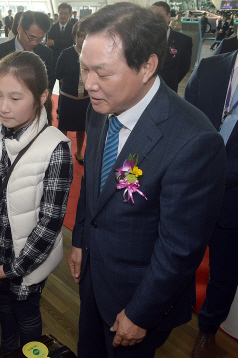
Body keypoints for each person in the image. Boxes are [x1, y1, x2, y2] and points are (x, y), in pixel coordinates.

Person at [68, 3, 226, 357]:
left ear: (147, 66)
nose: (88, 84)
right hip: (94, 276)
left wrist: (141, 313)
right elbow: (95, 185)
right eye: (84, 68)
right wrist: (80, 239)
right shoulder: (101, 107)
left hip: (137, 299)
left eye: (103, 73)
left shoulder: (193, 141)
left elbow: (180, 249)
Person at [0, 50, 72, 356]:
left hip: (27, 259)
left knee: (25, 315)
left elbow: (51, 221)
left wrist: (14, 268)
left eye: (15, 98)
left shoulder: (55, 147)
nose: (3, 106)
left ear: (40, 97)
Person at [184, 49, 238, 358]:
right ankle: (167, 311)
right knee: (177, 256)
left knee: (224, 271)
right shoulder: (210, 66)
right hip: (189, 189)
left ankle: (207, 331)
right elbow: (184, 116)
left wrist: (214, 173)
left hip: (232, 198)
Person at [0, 11, 54, 92]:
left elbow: (48, 86)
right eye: (31, 37)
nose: (34, 43)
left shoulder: (46, 53)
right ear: (20, 29)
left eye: (39, 39)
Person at [54, 22, 88, 165]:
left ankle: (79, 152)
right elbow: (57, 74)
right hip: (68, 97)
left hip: (85, 98)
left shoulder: (92, 54)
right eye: (79, 36)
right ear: (74, 37)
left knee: (82, 127)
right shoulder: (66, 53)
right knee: (64, 126)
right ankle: (64, 152)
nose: (82, 39)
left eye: (85, 36)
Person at [151, 2, 192, 93]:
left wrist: (171, 81)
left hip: (168, 90)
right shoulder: (143, 37)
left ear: (168, 16)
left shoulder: (183, 41)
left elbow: (184, 67)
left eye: (159, 15)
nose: (155, 19)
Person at [46, 3, 74, 70]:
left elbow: (70, 42)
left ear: (70, 14)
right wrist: (64, 42)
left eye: (65, 13)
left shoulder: (73, 28)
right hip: (54, 59)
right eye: (61, 13)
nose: (63, 16)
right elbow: (49, 43)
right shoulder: (52, 27)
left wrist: (54, 42)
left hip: (68, 59)